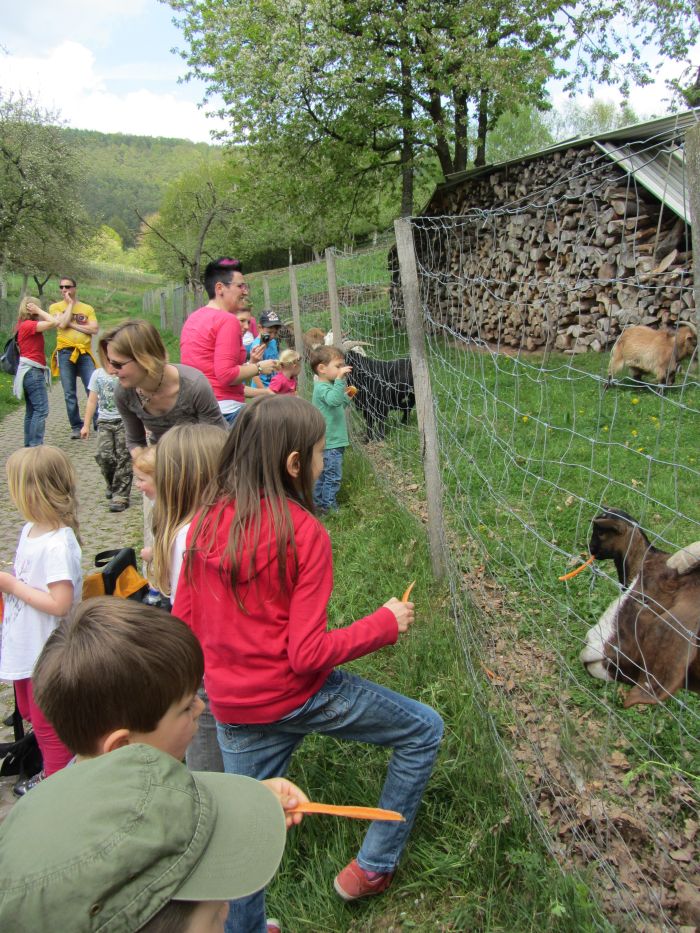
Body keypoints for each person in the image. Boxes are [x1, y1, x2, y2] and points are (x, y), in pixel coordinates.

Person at [173, 396, 444, 931]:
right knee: (423, 730)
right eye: (320, 454)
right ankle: (373, 865)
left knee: (245, 838)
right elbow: (307, 654)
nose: (323, 463)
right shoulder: (304, 533)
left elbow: (183, 625)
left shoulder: (204, 523)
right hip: (299, 693)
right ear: (294, 464)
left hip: (234, 710)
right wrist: (384, 624)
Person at [29, 598, 307, 933]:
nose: (201, 707)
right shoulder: (121, 868)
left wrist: (249, 804)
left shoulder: (107, 790)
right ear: (123, 747)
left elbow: (179, 808)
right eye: (185, 707)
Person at [0, 446, 82, 792]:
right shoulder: (31, 530)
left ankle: (58, 778)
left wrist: (12, 585)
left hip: (45, 649)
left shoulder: (57, 544)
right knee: (30, 711)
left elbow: (60, 603)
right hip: (25, 644)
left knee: (48, 719)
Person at [180, 258, 278, 425]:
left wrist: (252, 364)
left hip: (195, 410)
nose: (245, 291)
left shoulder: (194, 318)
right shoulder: (226, 320)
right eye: (240, 286)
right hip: (226, 412)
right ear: (220, 288)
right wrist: (260, 367)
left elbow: (210, 369)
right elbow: (226, 376)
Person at [101, 319, 226, 451]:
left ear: (144, 359)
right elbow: (135, 441)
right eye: (109, 362)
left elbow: (217, 440)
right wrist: (143, 461)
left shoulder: (195, 386)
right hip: (163, 460)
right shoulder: (124, 392)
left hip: (203, 458)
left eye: (117, 364)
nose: (110, 371)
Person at [80, 349, 133, 512]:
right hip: (104, 421)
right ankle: (112, 484)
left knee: (124, 456)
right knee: (104, 456)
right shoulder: (97, 375)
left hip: (124, 421)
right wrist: (86, 424)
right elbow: (91, 401)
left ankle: (121, 496)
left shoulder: (125, 374)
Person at [48, 276, 99, 439]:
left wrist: (73, 324)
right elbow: (61, 324)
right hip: (64, 353)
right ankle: (76, 426)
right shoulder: (55, 307)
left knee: (92, 387)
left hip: (84, 352)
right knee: (69, 392)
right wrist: (70, 305)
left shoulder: (87, 308)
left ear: (75, 288)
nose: (64, 290)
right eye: (61, 287)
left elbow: (95, 329)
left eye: (68, 287)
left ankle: (98, 423)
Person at [310, 346, 353, 513]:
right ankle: (330, 508)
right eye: (338, 366)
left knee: (323, 475)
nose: (342, 369)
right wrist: (341, 380)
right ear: (322, 368)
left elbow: (338, 404)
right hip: (330, 442)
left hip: (330, 441)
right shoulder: (322, 387)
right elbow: (334, 401)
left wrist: (348, 395)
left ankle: (318, 503)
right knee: (332, 477)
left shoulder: (326, 386)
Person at [12, 296, 60, 447]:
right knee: (41, 410)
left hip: (27, 372)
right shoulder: (28, 325)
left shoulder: (22, 325)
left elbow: (53, 321)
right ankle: (35, 446)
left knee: (31, 411)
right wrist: (40, 310)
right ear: (31, 309)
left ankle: (29, 446)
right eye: (37, 308)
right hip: (32, 372)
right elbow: (54, 322)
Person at [250, 311, 282, 390]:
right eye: (270, 332)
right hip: (261, 388)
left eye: (275, 332)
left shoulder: (273, 342)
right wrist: (264, 391)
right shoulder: (257, 346)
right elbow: (254, 373)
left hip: (273, 385)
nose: (273, 336)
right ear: (260, 328)